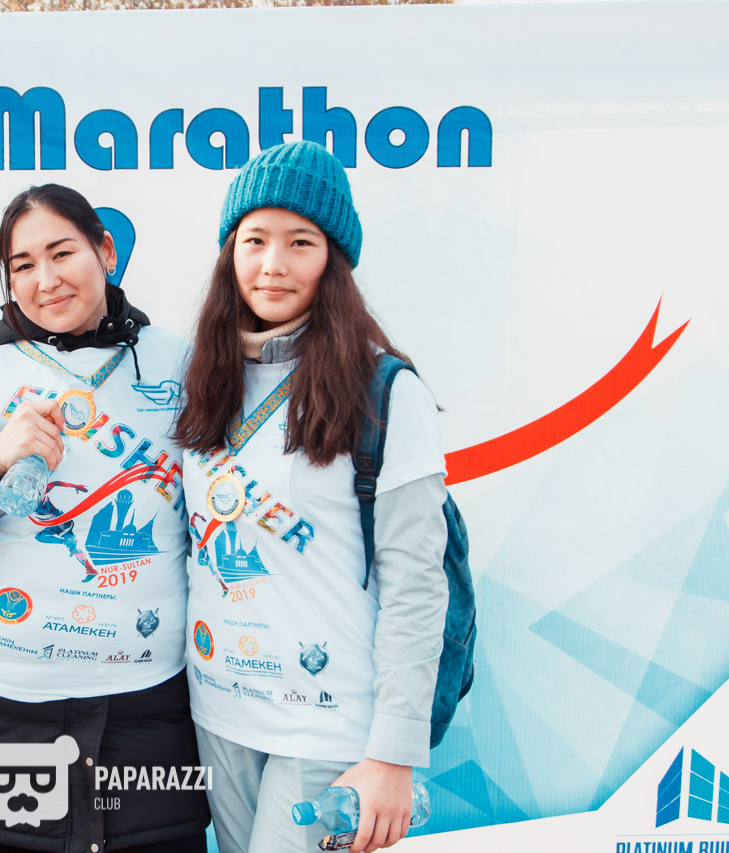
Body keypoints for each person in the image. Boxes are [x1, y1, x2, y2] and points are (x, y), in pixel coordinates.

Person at [0, 184, 210, 853]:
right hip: (0, 711)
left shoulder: (182, 364)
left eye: (62, 252)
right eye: (23, 265)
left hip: (143, 708)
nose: (46, 280)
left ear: (105, 251)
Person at [174, 142, 449, 853]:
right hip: (221, 712)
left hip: (328, 722)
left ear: (334, 260)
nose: (273, 263)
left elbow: (417, 581)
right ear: (230, 252)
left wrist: (392, 754)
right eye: (254, 240)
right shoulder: (205, 377)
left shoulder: (386, 390)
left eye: (300, 242)